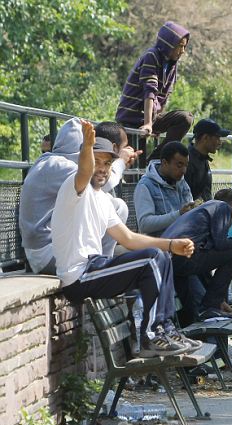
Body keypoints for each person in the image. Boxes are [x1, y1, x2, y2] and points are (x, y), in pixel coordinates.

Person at [51, 120, 199, 357]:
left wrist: (171, 245)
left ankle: (165, 329)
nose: (102, 168)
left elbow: (129, 238)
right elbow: (83, 173)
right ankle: (152, 336)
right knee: (151, 260)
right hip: (78, 276)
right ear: (85, 159)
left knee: (162, 257)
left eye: (107, 163)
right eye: (96, 161)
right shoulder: (74, 188)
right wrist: (88, 147)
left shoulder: (101, 198)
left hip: (94, 268)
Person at [19, 118, 129, 274]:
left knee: (108, 204)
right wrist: (121, 161)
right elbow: (105, 183)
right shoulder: (61, 166)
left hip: (40, 253)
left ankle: (101, 263)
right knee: (118, 207)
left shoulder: (46, 162)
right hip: (48, 256)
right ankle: (100, 269)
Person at [162, 188, 232, 323]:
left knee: (191, 313)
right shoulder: (223, 207)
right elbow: (220, 244)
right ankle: (210, 306)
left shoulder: (202, 212)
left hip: (168, 260)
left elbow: (206, 257)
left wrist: (219, 299)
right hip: (181, 256)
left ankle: (203, 313)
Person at [115, 21, 193, 161]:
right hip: (132, 117)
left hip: (151, 116)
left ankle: (157, 158)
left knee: (185, 118)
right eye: (179, 46)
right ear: (168, 44)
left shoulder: (172, 64)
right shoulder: (152, 56)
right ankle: (144, 168)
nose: (182, 51)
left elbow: (164, 95)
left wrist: (156, 121)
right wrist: (149, 123)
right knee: (136, 171)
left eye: (184, 46)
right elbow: (150, 90)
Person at [133, 141, 194, 237]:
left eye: (186, 165)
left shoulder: (182, 183)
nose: (184, 171)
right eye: (179, 165)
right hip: (158, 246)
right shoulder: (145, 186)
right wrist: (179, 214)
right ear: (164, 163)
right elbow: (144, 224)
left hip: (183, 241)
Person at [185, 119, 231, 201]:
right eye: (217, 138)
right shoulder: (187, 160)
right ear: (205, 138)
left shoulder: (202, 158)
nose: (220, 142)